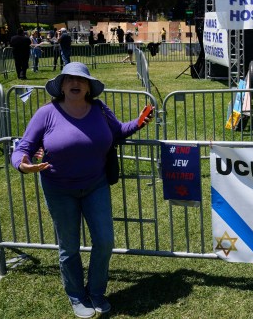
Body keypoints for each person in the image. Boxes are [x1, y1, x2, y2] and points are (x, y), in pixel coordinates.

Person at [11, 63, 154, 318]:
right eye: (70, 80)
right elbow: (24, 147)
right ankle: (76, 295)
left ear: (88, 87)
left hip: (96, 185)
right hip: (59, 189)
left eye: (82, 80)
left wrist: (139, 121)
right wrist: (23, 164)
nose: (75, 84)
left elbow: (118, 131)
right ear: (62, 86)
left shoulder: (99, 109)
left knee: (105, 241)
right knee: (69, 247)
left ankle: (96, 292)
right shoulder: (46, 113)